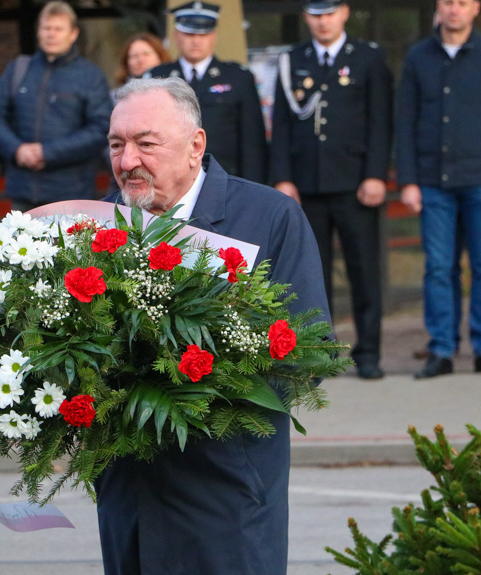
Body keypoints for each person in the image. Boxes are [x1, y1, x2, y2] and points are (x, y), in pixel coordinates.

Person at [98, 77, 329, 575]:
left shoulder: (269, 217)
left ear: (195, 146)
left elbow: (310, 356)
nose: (127, 161)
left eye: (145, 143)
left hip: (229, 496)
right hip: (130, 498)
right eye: (117, 144)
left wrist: (191, 386)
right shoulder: (95, 223)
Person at [397, 0, 481, 378]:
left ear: (476, 8)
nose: (454, 10)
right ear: (439, 7)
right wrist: (408, 180)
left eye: (462, 3)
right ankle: (442, 350)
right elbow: (405, 121)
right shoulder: (418, 57)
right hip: (433, 182)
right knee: (438, 268)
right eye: (448, 2)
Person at [270, 0, 393, 380]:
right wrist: (283, 178)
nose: (323, 21)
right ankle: (319, 351)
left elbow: (380, 120)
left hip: (356, 183)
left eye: (329, 13)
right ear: (306, 17)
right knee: (310, 273)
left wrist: (376, 174)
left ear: (344, 13)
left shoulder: (368, 58)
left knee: (364, 269)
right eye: (315, 14)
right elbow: (282, 123)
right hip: (306, 186)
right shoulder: (293, 59)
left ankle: (369, 351)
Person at [0, 0, 112, 211]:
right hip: (22, 192)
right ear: (38, 32)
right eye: (46, 28)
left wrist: (48, 153)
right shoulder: (18, 69)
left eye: (58, 29)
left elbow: (101, 129)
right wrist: (17, 150)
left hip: (71, 194)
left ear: (73, 34)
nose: (51, 34)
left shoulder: (90, 76)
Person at [146, 1, 267, 184]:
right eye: (189, 33)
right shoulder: (157, 78)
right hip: (171, 181)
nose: (196, 40)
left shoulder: (238, 77)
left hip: (226, 180)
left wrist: (253, 187)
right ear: (176, 36)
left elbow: (252, 143)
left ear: (214, 36)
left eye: (204, 34)